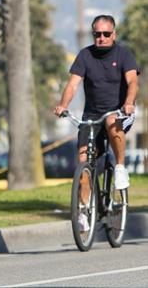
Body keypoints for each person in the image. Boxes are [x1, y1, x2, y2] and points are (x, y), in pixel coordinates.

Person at [54, 14, 139, 231]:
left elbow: (132, 82)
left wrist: (128, 103)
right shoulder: (85, 55)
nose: (101, 38)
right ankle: (83, 211)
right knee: (84, 163)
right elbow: (73, 84)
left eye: (106, 34)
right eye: (97, 34)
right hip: (91, 115)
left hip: (119, 111)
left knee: (111, 120)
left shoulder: (123, 54)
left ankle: (119, 167)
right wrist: (63, 105)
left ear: (114, 34)